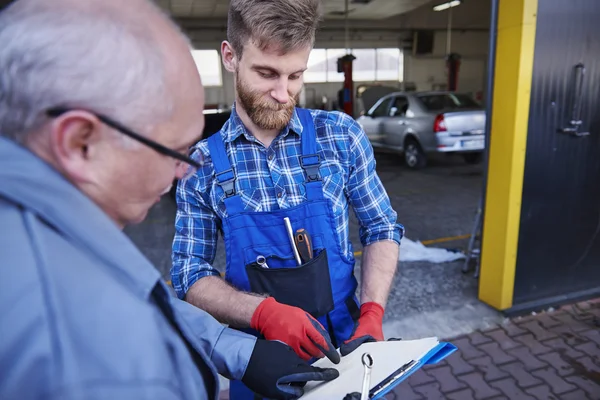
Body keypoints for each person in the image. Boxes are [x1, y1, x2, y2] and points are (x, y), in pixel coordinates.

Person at [0, 1, 339, 399]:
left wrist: (241, 353)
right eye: (174, 152)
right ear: (80, 143)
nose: (184, 171)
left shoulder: (46, 228)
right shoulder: (85, 361)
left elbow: (149, 303)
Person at [172, 0, 404, 397]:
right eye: (266, 73)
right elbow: (189, 272)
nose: (283, 93)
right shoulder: (202, 165)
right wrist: (262, 312)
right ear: (230, 56)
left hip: (349, 348)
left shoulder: (341, 137)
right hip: (264, 363)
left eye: (295, 75)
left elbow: (381, 225)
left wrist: (372, 313)